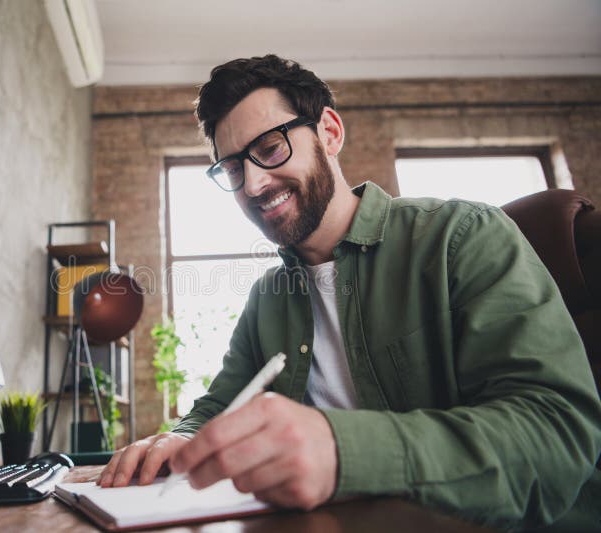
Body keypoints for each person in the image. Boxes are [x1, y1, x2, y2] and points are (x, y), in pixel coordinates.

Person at [98, 55, 601, 530]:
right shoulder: (269, 296)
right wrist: (179, 438)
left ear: (330, 133)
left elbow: (556, 433)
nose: (252, 184)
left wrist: (344, 451)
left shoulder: (463, 236)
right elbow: (219, 406)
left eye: (270, 148)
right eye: (233, 169)